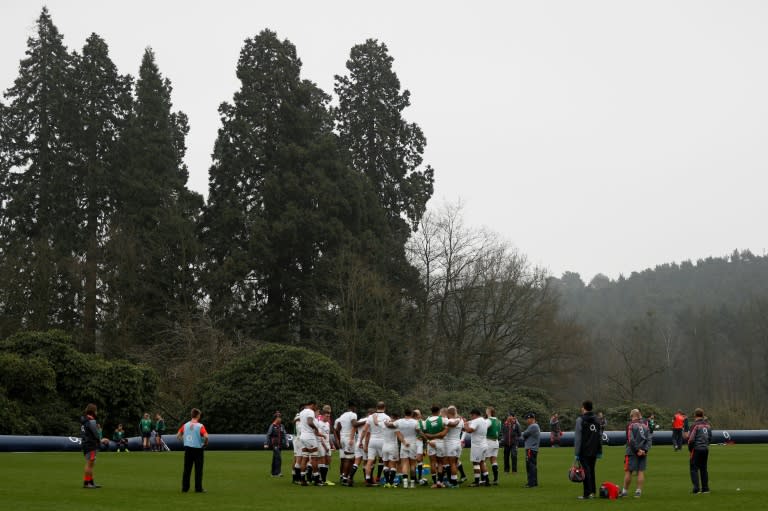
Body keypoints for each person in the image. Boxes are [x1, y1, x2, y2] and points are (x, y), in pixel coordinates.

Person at [574, 400, 602, 500]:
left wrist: (576, 453)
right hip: (594, 450)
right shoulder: (597, 419)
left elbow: (578, 438)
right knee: (592, 471)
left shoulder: (580, 420)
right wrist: (599, 451)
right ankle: (593, 492)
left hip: (584, 450)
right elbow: (599, 436)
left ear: (584, 407)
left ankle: (587, 494)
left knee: (585, 472)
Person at [177, 408, 209, 493]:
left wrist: (184, 440)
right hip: (198, 449)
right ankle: (198, 488)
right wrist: (205, 443)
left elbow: (178, 435)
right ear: (198, 415)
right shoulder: (200, 426)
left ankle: (185, 488)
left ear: (191, 415)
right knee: (198, 469)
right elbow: (206, 436)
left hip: (188, 449)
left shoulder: (185, 425)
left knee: (187, 469)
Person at [621, 408, 650, 498]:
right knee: (641, 471)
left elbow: (631, 440)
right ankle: (638, 491)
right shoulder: (645, 426)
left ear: (633, 416)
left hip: (632, 452)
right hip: (643, 452)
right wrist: (644, 450)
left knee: (628, 471)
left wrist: (637, 450)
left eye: (631, 416)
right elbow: (649, 440)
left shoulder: (630, 425)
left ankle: (625, 491)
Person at [688, 408, 712, 494]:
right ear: (702, 415)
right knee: (704, 468)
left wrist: (690, 449)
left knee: (694, 468)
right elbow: (710, 438)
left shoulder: (695, 425)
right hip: (705, 449)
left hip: (697, 449)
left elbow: (691, 439)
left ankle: (696, 488)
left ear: (695, 415)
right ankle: (705, 488)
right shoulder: (708, 425)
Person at [463, 408, 489, 487]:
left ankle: (476, 481)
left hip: (477, 445)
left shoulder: (476, 421)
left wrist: (466, 426)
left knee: (475, 463)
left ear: (474, 415)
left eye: (471, 415)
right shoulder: (484, 420)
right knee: (482, 462)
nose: (471, 417)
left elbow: (470, 430)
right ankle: (486, 480)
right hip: (484, 444)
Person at [80, 403, 101, 488]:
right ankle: (87, 483)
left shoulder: (85, 420)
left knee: (90, 464)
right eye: (96, 410)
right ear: (93, 411)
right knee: (90, 464)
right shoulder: (91, 421)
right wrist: (101, 440)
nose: (97, 412)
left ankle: (91, 482)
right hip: (91, 445)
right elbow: (95, 434)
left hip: (86, 444)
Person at [265, 411, 288, 477]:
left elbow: (284, 434)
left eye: (280, 417)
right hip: (274, 444)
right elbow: (268, 435)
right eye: (279, 418)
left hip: (280, 444)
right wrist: (266, 443)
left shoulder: (282, 426)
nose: (280, 419)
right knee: (278, 458)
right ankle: (278, 472)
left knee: (275, 458)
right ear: (276, 419)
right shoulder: (272, 426)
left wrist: (286, 442)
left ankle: (273, 473)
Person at [521, 412, 540, 488]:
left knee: (530, 466)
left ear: (532, 419)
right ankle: (534, 482)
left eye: (527, 419)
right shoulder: (535, 426)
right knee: (533, 466)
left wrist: (525, 435)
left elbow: (524, 434)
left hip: (530, 449)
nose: (526, 421)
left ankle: (531, 483)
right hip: (533, 449)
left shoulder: (533, 426)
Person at [485, 407, 502, 484]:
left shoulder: (489, 420)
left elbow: (483, 428)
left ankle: (484, 479)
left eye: (486, 411)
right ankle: (496, 479)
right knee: (494, 460)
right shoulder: (499, 421)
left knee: (483, 460)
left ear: (489, 412)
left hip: (488, 441)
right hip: (496, 442)